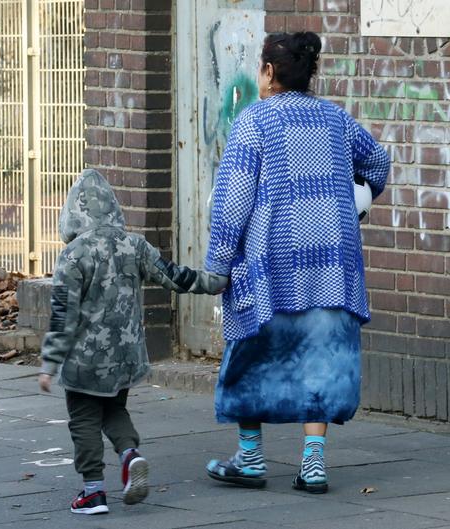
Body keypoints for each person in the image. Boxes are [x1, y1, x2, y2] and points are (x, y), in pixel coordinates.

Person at [203, 31, 390, 494]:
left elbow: (231, 203)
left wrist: (218, 265)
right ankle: (313, 466)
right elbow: (380, 164)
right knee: (323, 360)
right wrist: (353, 196)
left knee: (251, 355)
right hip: (332, 265)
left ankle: (249, 459)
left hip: (272, 268)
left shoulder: (254, 122)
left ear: (268, 72)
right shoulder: (336, 120)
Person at [38, 169, 227, 515]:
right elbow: (173, 275)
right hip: (125, 355)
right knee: (114, 409)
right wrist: (212, 282)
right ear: (112, 207)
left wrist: (50, 364)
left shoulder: (73, 254)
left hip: (84, 360)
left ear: (73, 211)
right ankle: (130, 454)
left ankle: (93, 492)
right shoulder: (133, 244)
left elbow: (63, 313)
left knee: (83, 419)